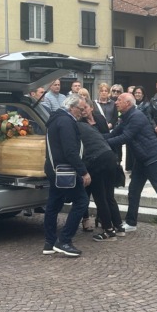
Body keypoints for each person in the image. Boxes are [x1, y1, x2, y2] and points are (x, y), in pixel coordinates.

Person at [105, 92, 157, 234]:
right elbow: (113, 134)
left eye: (119, 100)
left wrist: (103, 143)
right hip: (141, 160)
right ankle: (131, 222)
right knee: (133, 191)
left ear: (128, 103)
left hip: (153, 158)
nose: (116, 102)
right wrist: (96, 138)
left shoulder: (136, 116)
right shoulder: (126, 117)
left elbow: (125, 137)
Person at [42, 94, 91, 257]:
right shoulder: (66, 121)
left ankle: (49, 242)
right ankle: (64, 240)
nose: (82, 112)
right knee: (82, 201)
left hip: (54, 168)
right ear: (71, 107)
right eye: (80, 109)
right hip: (65, 170)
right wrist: (83, 171)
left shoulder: (56, 119)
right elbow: (70, 151)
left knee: (53, 205)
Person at [77, 100, 124, 241]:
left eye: (85, 107)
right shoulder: (85, 123)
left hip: (96, 160)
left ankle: (108, 230)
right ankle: (119, 226)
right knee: (108, 195)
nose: (83, 111)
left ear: (91, 107)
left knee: (100, 197)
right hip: (108, 156)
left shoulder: (78, 124)